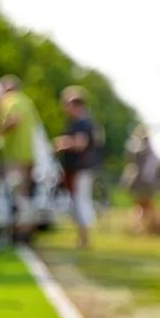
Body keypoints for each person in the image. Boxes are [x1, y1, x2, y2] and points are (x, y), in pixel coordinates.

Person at [0, 75, 41, 241]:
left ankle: (19, 234)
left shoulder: (9, 100)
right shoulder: (27, 101)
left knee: (15, 195)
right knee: (23, 195)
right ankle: (25, 231)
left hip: (14, 156)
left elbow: (14, 121)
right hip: (26, 155)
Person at [53, 86, 100, 249]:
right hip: (77, 168)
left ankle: (84, 239)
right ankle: (82, 237)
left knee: (81, 202)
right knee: (78, 202)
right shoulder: (80, 122)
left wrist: (62, 144)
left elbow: (80, 143)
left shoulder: (82, 122)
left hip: (81, 168)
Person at [122, 124, 160, 234]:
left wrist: (127, 180)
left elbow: (132, 167)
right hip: (146, 181)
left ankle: (142, 227)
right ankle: (147, 227)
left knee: (141, 205)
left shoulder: (135, 148)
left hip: (141, 181)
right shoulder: (148, 148)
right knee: (146, 205)